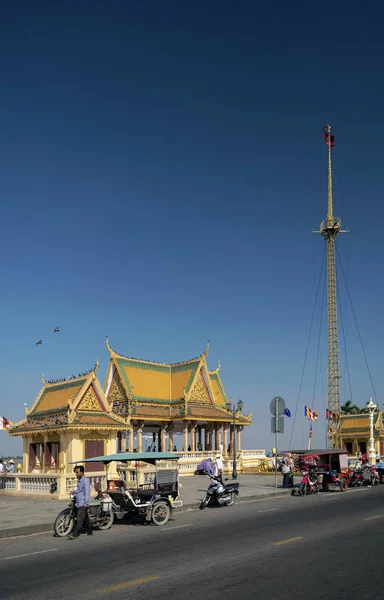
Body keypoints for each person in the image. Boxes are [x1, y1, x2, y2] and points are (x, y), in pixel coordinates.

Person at [68, 465, 93, 540]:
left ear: (81, 472)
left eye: (77, 472)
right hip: (78, 502)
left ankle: (74, 534)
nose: (76, 474)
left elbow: (87, 492)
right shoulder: (79, 480)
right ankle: (89, 531)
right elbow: (80, 490)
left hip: (82, 503)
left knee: (79, 519)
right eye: (75, 472)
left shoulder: (85, 481)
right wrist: (74, 492)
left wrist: (86, 504)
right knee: (85, 518)